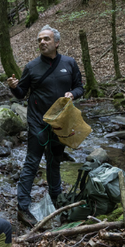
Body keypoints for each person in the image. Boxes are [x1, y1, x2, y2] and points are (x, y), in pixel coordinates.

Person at [7, 24, 84, 227]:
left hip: (61, 123)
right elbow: (21, 93)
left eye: (46, 39)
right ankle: (23, 208)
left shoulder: (69, 63)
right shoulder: (31, 67)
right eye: (39, 40)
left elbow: (80, 87)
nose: (42, 42)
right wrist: (14, 87)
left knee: (54, 162)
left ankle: (57, 202)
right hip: (37, 122)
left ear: (56, 42)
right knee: (32, 162)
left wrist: (72, 94)